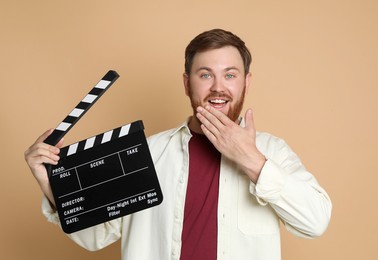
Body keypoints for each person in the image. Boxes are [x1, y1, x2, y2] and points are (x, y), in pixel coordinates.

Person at [24, 28, 332, 260]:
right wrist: (49, 184)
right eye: (205, 74)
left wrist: (252, 160)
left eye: (230, 75)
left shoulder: (272, 151)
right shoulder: (147, 154)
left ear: (245, 83)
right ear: (187, 82)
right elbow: (95, 237)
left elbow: (315, 222)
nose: (218, 87)